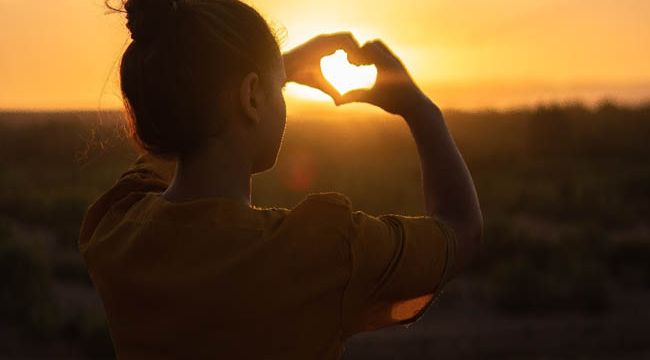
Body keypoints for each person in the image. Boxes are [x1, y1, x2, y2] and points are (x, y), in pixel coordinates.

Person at [79, 0, 483, 358]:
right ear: (252, 97)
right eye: (277, 88)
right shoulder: (322, 254)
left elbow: (179, 135)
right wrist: (422, 109)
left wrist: (269, 71)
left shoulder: (115, 230)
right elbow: (461, 230)